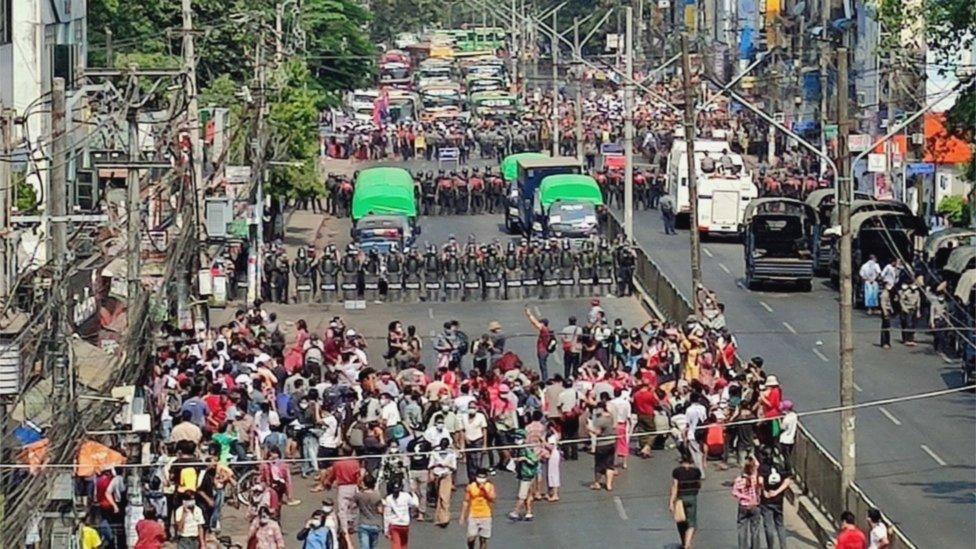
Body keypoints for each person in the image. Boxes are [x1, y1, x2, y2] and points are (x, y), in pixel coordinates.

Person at [759, 449, 791, 549]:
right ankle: (783, 546)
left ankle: (770, 546)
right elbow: (787, 481)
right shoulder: (779, 467)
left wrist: (764, 491)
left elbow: (760, 482)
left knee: (768, 526)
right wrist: (777, 492)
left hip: (766, 501)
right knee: (780, 525)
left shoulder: (762, 468)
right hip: (778, 500)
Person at [669, 453, 702, 549]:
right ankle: (687, 543)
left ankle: (684, 542)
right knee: (692, 522)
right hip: (692, 497)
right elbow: (699, 484)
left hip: (680, 498)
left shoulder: (677, 471)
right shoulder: (696, 471)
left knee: (680, 521)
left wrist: (671, 501)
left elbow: (675, 486)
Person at [460, 468, 496, 549]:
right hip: (473, 515)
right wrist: (462, 516)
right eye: (479, 477)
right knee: (471, 537)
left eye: (483, 477)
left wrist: (484, 490)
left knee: (483, 539)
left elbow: (493, 499)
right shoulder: (470, 487)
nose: (481, 479)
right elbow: (466, 501)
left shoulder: (490, 486)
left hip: (486, 515)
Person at [508, 429, 539, 521]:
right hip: (525, 474)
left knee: (522, 495)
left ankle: (516, 512)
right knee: (528, 494)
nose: (516, 440)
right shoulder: (519, 449)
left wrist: (524, 459)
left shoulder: (526, 448)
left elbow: (534, 460)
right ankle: (529, 512)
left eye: (518, 438)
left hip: (527, 474)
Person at [732, 457, 762, 549]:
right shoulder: (755, 477)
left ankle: (742, 547)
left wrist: (744, 497)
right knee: (755, 529)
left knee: (741, 529)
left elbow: (734, 493)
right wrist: (752, 455)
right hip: (754, 505)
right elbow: (757, 464)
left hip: (743, 506)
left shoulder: (739, 479)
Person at [428, 438, 458, 526]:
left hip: (446, 476)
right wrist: (436, 466)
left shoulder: (451, 454)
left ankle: (445, 518)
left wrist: (446, 465)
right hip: (437, 476)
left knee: (445, 497)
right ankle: (438, 518)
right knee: (439, 497)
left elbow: (454, 467)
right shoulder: (434, 453)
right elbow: (430, 465)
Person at [589, 401, 617, 491]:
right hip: (611, 442)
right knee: (610, 464)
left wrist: (589, 429)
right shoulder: (611, 416)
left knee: (599, 464)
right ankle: (609, 485)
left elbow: (598, 432)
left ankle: (597, 483)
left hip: (602, 444)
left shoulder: (600, 420)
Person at [383, 481, 419, 549]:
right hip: (405, 524)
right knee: (403, 544)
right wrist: (413, 493)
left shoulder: (389, 498)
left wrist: (386, 529)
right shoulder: (406, 496)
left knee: (396, 544)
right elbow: (415, 504)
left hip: (394, 524)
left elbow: (387, 515)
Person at [352, 475, 384, 549]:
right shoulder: (377, 495)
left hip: (363, 523)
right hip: (375, 524)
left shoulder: (359, 495)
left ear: (364, 483)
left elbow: (353, 505)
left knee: (364, 546)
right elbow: (380, 510)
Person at [525, 308, 554, 380]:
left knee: (543, 367)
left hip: (542, 351)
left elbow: (535, 323)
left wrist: (529, 315)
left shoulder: (544, 330)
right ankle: (545, 379)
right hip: (544, 351)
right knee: (543, 367)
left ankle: (545, 380)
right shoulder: (547, 330)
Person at [879, 281, 894, 349]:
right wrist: (885, 312)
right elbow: (883, 304)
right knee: (885, 327)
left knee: (888, 327)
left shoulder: (889, 293)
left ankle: (887, 342)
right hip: (885, 311)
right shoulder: (884, 294)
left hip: (888, 310)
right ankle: (884, 342)